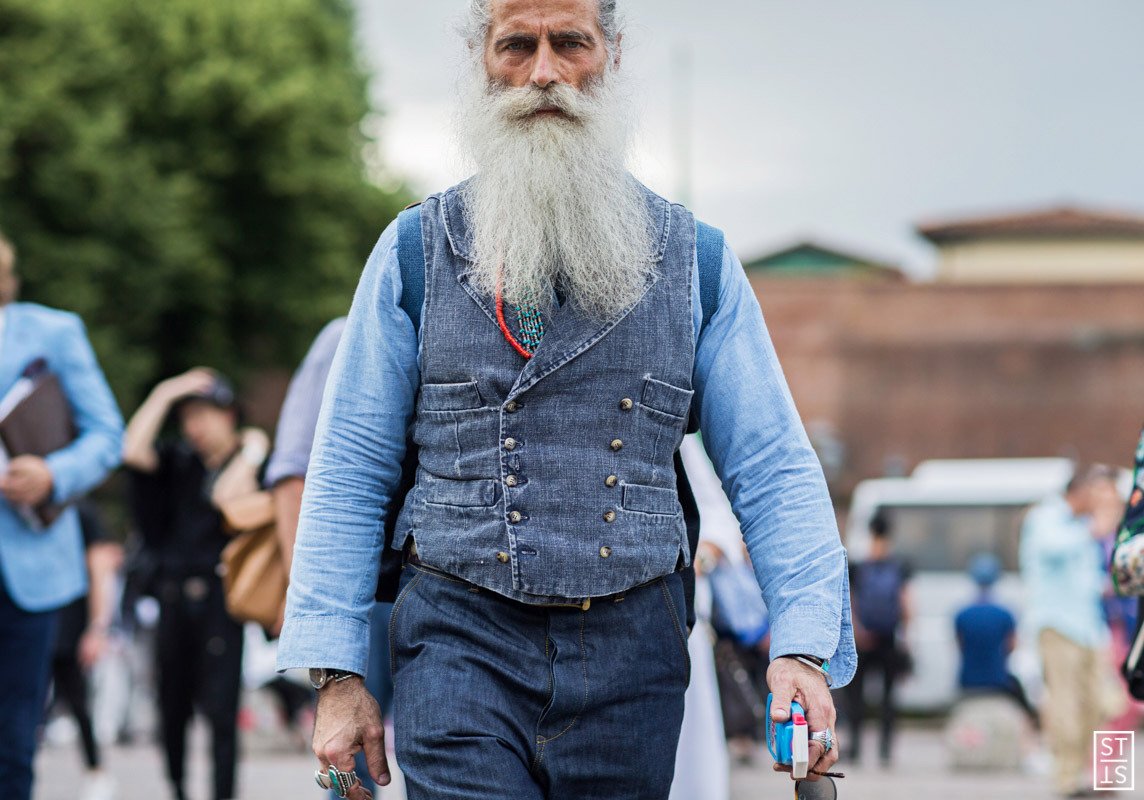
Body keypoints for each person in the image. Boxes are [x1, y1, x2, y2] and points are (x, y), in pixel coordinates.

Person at [277, 2, 856, 798]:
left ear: (610, 56)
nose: (543, 72)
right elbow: (348, 468)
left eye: (569, 43)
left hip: (633, 651)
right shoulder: (411, 251)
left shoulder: (697, 262)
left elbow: (773, 466)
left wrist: (802, 647)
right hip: (456, 640)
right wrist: (336, 676)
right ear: (480, 62)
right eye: (517, 45)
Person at [0, 206, 124, 800]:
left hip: (32, 556)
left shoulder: (52, 332)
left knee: (18, 733)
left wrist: (52, 473)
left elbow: (106, 435)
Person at [264, 317, 398, 796]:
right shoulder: (344, 336)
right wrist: (303, 595)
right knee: (351, 755)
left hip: (442, 582)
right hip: (366, 592)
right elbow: (291, 474)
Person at [123, 370, 269, 800]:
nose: (194, 427)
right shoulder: (176, 462)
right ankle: (178, 789)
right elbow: (132, 449)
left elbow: (227, 497)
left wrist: (254, 450)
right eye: (187, 417)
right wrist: (165, 391)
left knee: (222, 713)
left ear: (229, 416)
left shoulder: (249, 463)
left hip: (222, 600)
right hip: (171, 597)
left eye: (203, 415)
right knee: (171, 708)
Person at [1020, 463, 1122, 799]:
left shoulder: (1082, 527)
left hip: (1091, 628)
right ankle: (1068, 780)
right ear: (1078, 492)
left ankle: (1102, 776)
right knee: (1066, 704)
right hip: (1058, 625)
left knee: (1105, 704)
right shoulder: (1047, 518)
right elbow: (1052, 549)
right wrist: (1093, 530)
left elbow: (1088, 580)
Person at [46, 502, 123, 800]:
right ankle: (2, 776)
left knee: (78, 700)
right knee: (21, 701)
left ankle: (96, 771)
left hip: (69, 622)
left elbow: (99, 568)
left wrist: (96, 628)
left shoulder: (80, 513)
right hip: (31, 618)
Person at [844, 512, 910, 765]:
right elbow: (906, 603)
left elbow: (850, 601)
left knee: (856, 697)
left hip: (863, 640)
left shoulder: (859, 566)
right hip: (888, 639)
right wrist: (905, 637)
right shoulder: (899, 565)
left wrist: (857, 632)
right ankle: (884, 751)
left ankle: (857, 747)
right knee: (888, 698)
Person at [954, 553, 1037, 727]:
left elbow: (959, 646)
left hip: (968, 682)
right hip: (999, 682)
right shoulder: (1006, 614)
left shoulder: (962, 614)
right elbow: (1013, 645)